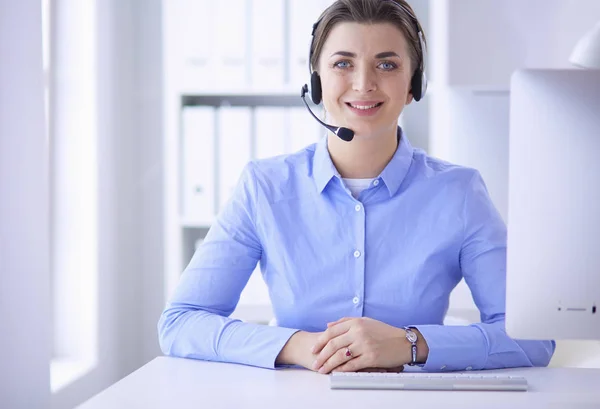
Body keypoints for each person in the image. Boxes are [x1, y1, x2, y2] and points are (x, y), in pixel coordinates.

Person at [158, 0, 555, 374]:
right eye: (343, 63)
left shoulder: (459, 192)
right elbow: (181, 322)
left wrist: (410, 344)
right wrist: (298, 346)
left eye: (386, 64)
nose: (364, 84)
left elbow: (534, 337)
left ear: (415, 83)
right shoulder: (264, 187)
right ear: (316, 82)